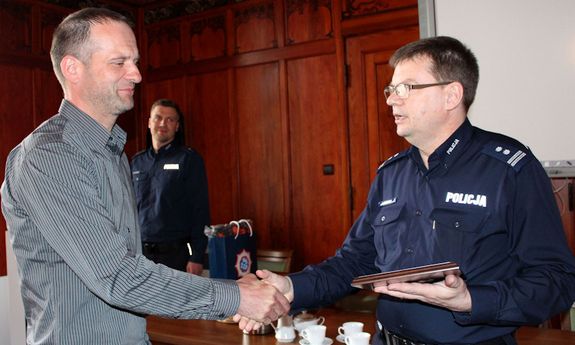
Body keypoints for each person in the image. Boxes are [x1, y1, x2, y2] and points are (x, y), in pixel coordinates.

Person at [252, 36, 575, 345]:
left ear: (451, 96)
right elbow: (354, 262)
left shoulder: (508, 169)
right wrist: (293, 286)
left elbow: (557, 280)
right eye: (391, 89)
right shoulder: (391, 174)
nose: (392, 98)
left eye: (406, 87)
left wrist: (471, 300)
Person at [0, 8, 288, 344]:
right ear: (72, 68)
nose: (136, 74)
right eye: (119, 62)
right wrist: (237, 297)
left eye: (135, 61)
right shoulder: (49, 157)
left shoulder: (114, 153)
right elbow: (119, 278)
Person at [132, 99, 210, 275]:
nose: (163, 123)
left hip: (177, 256)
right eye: (158, 118)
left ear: (177, 126)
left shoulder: (188, 159)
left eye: (170, 119)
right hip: (141, 256)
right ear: (149, 122)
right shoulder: (136, 162)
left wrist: (197, 256)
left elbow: (200, 210)